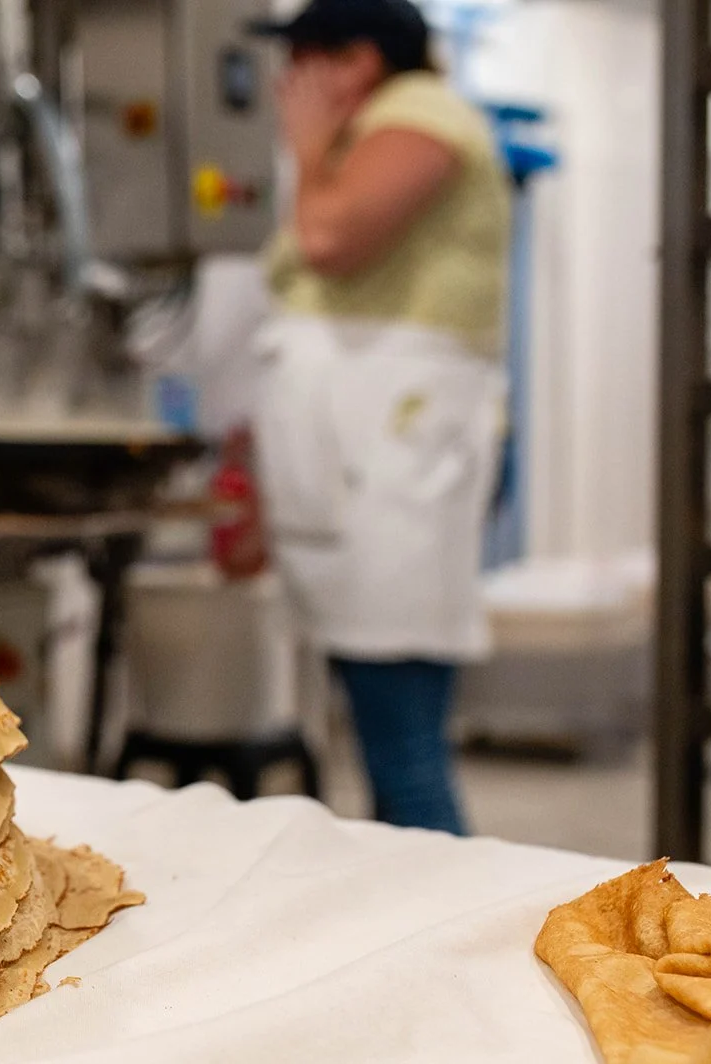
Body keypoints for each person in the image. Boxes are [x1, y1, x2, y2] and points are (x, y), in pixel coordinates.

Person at [246, 0, 511, 834]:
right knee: (386, 736)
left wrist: (307, 142)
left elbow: (329, 241)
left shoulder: (421, 115)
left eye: (302, 60)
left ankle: (452, 941)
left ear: (356, 61)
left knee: (403, 744)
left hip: (394, 471)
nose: (287, 82)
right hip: (360, 472)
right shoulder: (373, 129)